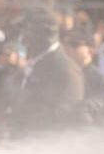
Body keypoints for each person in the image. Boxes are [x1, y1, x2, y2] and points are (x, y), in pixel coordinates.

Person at [5, 8, 84, 137]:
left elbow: (65, 119)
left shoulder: (65, 70)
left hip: (45, 149)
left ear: (44, 34)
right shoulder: (34, 64)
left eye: (26, 31)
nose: (22, 38)